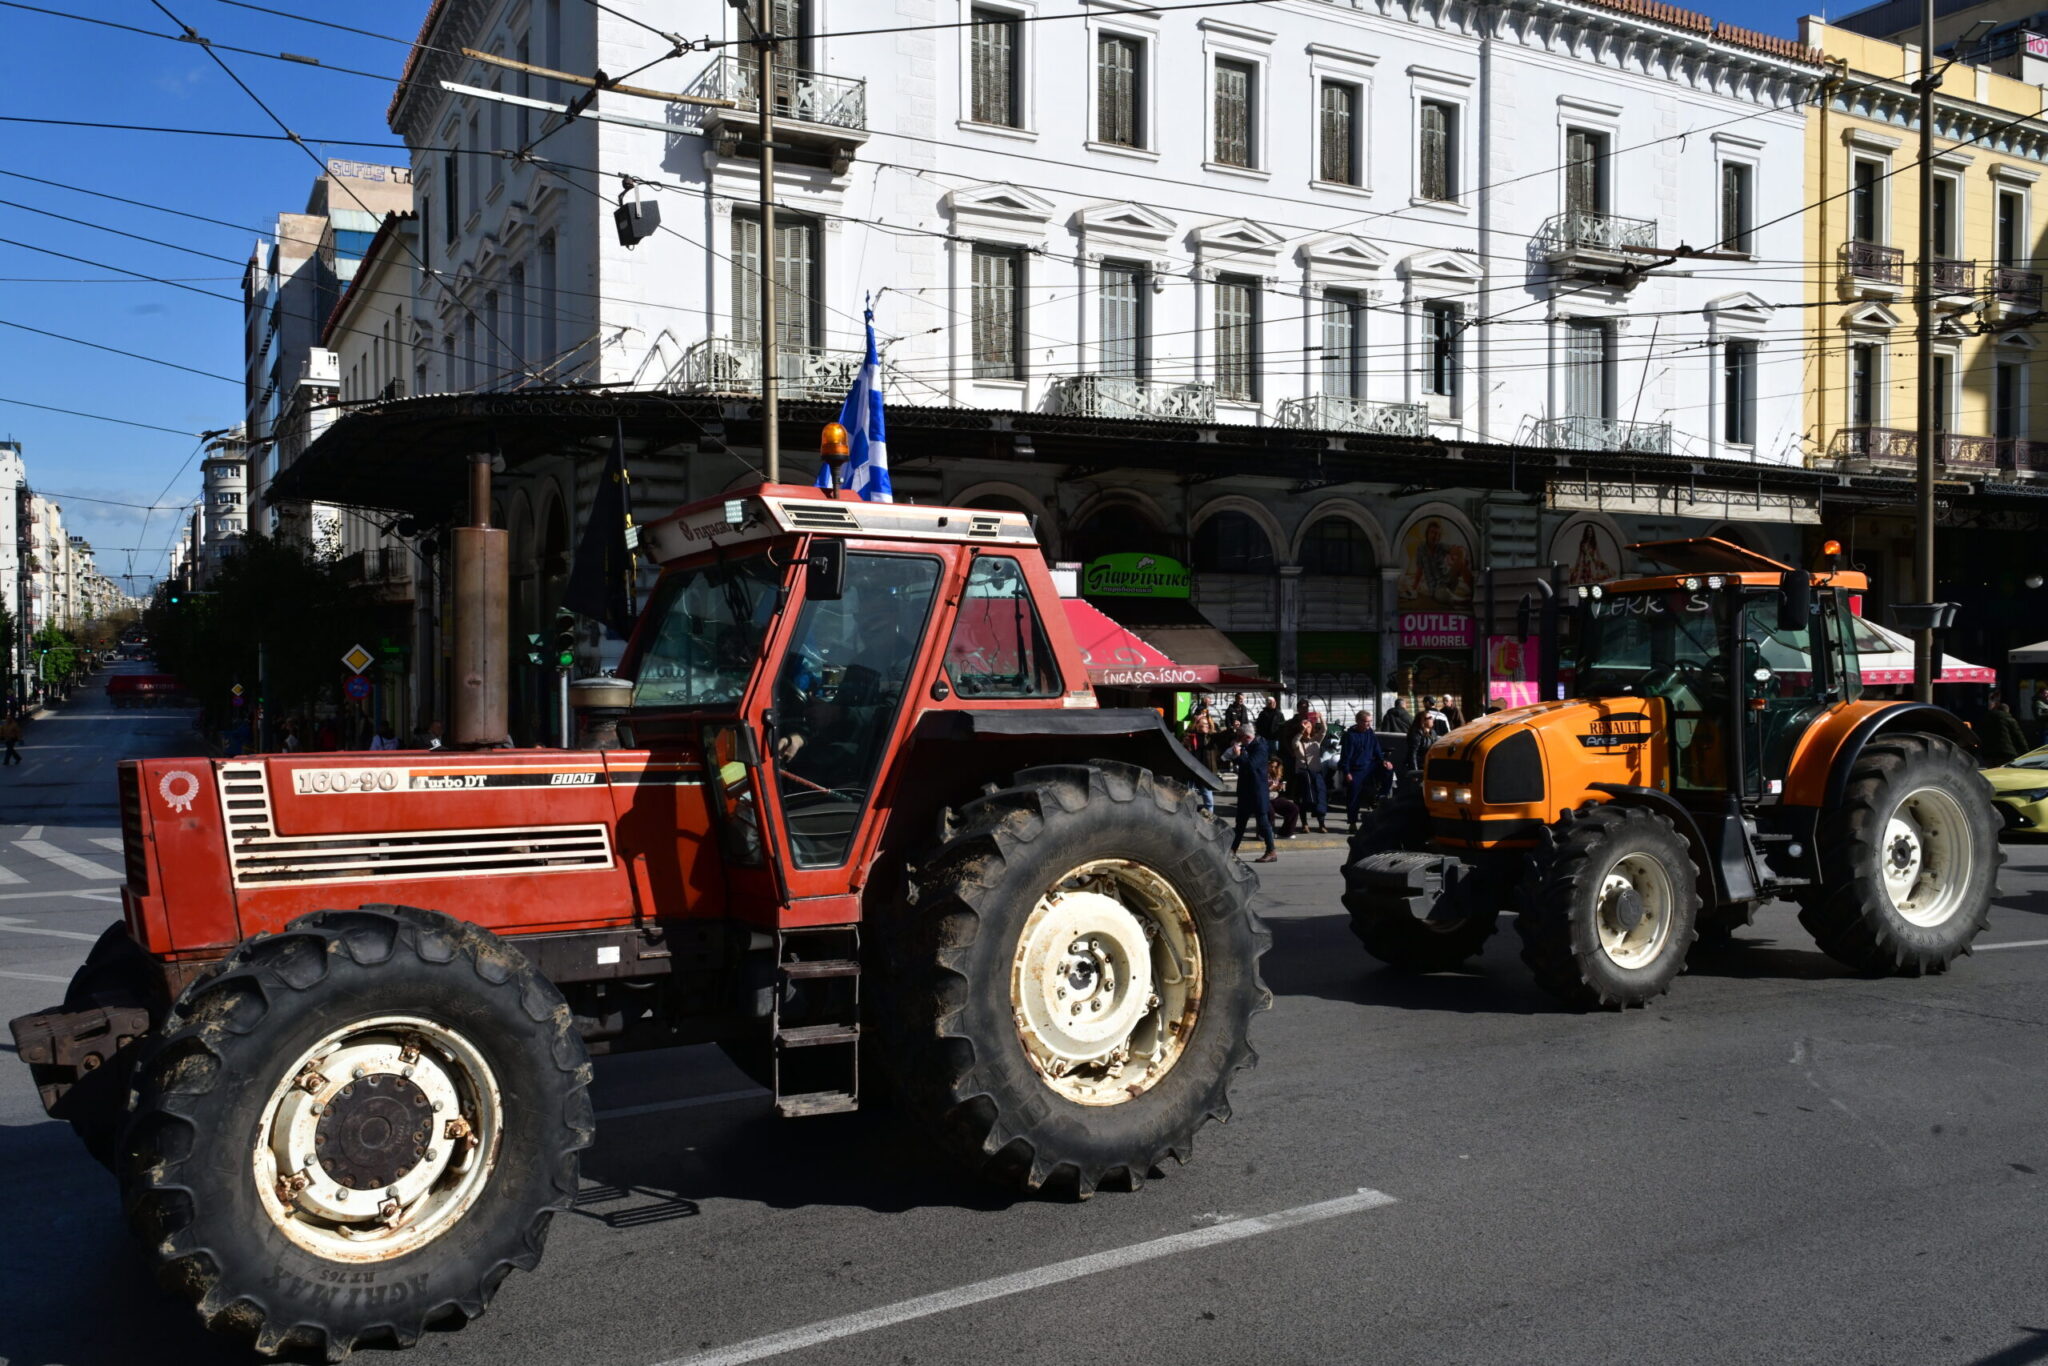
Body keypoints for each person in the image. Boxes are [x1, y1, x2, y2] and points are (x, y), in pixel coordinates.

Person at [1220, 722, 1278, 863]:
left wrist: (1238, 756)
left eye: (1239, 737)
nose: (1238, 740)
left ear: (1246, 737)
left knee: (1263, 822)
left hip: (1257, 791)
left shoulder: (1260, 747)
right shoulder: (1248, 746)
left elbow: (1251, 765)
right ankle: (1232, 850)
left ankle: (1271, 851)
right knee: (1240, 823)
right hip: (1246, 791)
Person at [1338, 711, 1391, 829]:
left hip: (1370, 766)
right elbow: (1345, 757)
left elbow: (1377, 749)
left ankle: (1381, 795)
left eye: (1370, 721)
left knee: (1388, 769)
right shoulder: (1350, 736)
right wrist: (1347, 772)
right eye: (1366, 722)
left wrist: (1383, 761)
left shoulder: (1370, 733)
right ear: (1358, 721)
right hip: (1356, 769)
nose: (1369, 724)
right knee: (1353, 795)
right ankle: (1352, 822)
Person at [1293, 721, 1330, 833]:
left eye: (1308, 726)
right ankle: (1304, 824)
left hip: (1316, 773)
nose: (1306, 728)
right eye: (1304, 726)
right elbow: (1294, 743)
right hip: (1303, 774)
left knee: (1320, 798)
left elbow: (1324, 731)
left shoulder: (1315, 740)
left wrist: (1321, 719)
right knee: (1303, 799)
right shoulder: (1297, 741)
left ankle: (1321, 824)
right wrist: (1301, 731)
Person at [1978, 696, 2028, 768]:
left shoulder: (1986, 718)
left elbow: (1981, 734)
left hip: (1988, 752)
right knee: (2003, 771)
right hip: (2005, 752)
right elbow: (2018, 736)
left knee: (1990, 771)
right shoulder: (2009, 719)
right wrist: (2026, 751)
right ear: (2007, 711)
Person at [1266, 758, 1302, 840]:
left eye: (1275, 767)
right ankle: (1266, 833)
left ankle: (1285, 833)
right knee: (1270, 813)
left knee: (1293, 808)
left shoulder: (1276, 773)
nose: (1273, 768)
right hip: (1264, 798)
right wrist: (1271, 788)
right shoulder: (1261, 773)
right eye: (1271, 766)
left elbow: (1277, 788)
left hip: (1274, 797)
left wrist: (1280, 787)